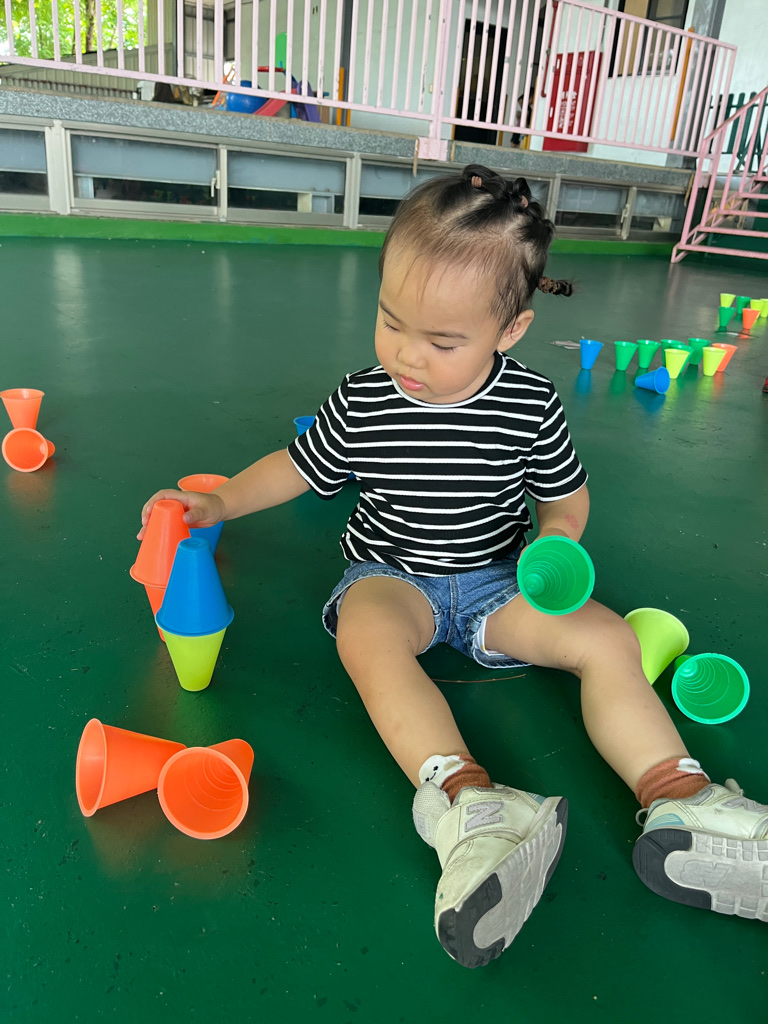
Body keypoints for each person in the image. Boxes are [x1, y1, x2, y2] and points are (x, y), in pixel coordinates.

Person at [139, 165, 768, 967]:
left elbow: (564, 497)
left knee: (608, 640)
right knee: (365, 638)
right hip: (392, 574)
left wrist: (559, 540)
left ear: (510, 329)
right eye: (390, 321)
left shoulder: (529, 403)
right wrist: (221, 501)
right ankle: (472, 806)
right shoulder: (365, 399)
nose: (408, 354)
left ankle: (680, 796)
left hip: (501, 582)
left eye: (442, 342)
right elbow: (297, 467)